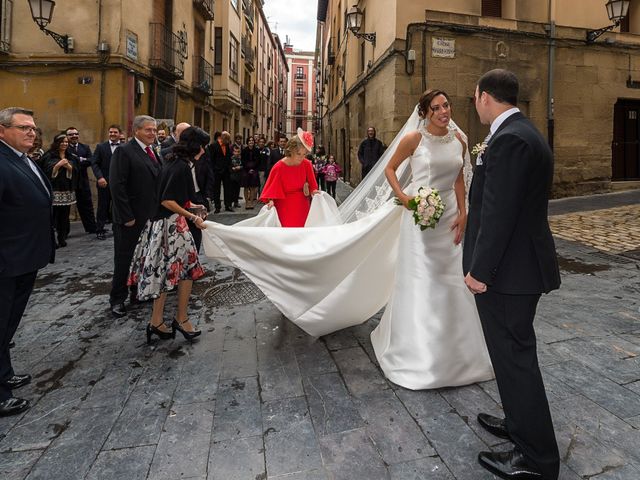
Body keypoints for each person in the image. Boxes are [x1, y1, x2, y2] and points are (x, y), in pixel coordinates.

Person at [201, 92, 490, 388]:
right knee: (424, 276)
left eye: (446, 106)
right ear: (426, 113)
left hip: (449, 218)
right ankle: (420, 350)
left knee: (450, 276)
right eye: (436, 108)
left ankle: (460, 349)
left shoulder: (459, 140)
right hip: (417, 214)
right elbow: (390, 169)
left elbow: (457, 178)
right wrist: (404, 198)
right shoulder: (414, 139)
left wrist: (463, 212)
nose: (443, 111)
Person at [463, 69, 561, 480]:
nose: (475, 105)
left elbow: (500, 214)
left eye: (474, 98)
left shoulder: (510, 140)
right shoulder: (522, 133)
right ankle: (519, 424)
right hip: (515, 269)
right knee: (510, 356)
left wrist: (480, 271)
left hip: (508, 274)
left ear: (486, 97)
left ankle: (536, 459)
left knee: (516, 359)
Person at [128, 127, 208, 344]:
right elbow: (168, 201)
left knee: (163, 274)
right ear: (195, 146)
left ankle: (156, 321)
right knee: (187, 272)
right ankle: (181, 319)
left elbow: (175, 197)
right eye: (203, 146)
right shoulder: (181, 166)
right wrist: (192, 216)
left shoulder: (173, 161)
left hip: (163, 224)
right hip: (171, 227)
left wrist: (194, 206)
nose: (204, 150)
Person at [0, 107, 55, 417]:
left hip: (24, 258)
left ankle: (5, 373)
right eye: (23, 128)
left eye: (33, 128)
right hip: (7, 261)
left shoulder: (21, 159)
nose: (31, 133)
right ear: (2, 131)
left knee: (7, 326)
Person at [109, 115, 162, 318]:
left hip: (149, 217)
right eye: (148, 130)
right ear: (136, 131)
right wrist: (126, 216)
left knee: (142, 257)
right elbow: (117, 185)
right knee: (124, 258)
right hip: (130, 218)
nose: (152, 134)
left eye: (154, 130)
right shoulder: (124, 151)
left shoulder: (151, 152)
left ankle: (136, 292)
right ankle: (117, 299)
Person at [259, 129, 319, 227]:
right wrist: (270, 201)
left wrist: (314, 191)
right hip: (283, 206)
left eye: (304, 154)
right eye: (299, 154)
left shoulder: (307, 164)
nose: (302, 157)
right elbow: (271, 189)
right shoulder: (279, 167)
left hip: (302, 205)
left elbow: (313, 186)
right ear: (291, 150)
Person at [42, 133, 79, 248]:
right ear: (57, 143)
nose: (65, 144)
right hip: (54, 191)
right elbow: (46, 170)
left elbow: (76, 170)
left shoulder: (70, 155)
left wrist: (69, 167)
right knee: (53, 217)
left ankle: (62, 238)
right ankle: (52, 240)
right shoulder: (49, 155)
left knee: (64, 216)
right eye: (62, 142)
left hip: (67, 191)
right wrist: (58, 165)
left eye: (66, 142)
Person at [91, 124, 121, 240]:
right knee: (102, 206)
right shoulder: (101, 147)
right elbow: (94, 163)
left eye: (115, 132)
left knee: (117, 206)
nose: (113, 134)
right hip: (104, 182)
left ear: (119, 134)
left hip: (119, 183)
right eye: (111, 132)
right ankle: (100, 229)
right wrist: (99, 177)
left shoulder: (124, 147)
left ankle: (116, 227)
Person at [66, 127, 97, 234]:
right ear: (67, 137)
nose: (74, 136)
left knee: (87, 205)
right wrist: (82, 160)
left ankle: (92, 228)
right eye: (71, 134)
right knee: (65, 208)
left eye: (76, 134)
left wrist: (77, 160)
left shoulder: (85, 147)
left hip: (83, 181)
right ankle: (64, 231)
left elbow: (91, 161)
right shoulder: (65, 148)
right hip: (69, 181)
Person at [209, 131, 233, 212]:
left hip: (226, 171)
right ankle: (217, 207)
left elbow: (228, 157)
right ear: (223, 138)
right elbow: (211, 159)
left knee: (228, 189)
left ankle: (228, 205)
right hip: (217, 171)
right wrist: (214, 169)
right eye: (228, 139)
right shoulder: (213, 145)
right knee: (217, 189)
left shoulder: (227, 146)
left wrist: (230, 167)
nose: (229, 141)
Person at [241, 136, 260, 209]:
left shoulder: (257, 150)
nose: (251, 142)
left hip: (254, 170)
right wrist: (248, 169)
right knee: (246, 187)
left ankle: (251, 203)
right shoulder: (244, 150)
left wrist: (253, 169)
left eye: (252, 140)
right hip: (246, 170)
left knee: (252, 187)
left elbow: (258, 161)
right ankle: (246, 203)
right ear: (247, 142)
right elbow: (243, 161)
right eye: (249, 140)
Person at [228, 144, 243, 210]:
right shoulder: (231, 158)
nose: (236, 153)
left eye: (238, 151)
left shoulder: (241, 158)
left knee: (237, 190)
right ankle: (230, 203)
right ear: (233, 152)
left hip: (239, 176)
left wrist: (240, 167)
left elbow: (243, 165)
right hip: (232, 176)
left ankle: (236, 202)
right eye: (235, 151)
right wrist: (232, 168)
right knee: (231, 190)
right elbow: (228, 166)